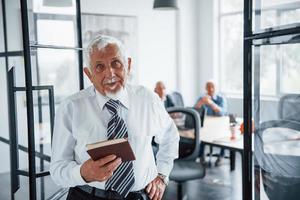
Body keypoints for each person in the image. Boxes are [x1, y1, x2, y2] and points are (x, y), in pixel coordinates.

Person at [50, 35, 179, 200]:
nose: (110, 72)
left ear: (128, 65)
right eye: (99, 67)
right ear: (89, 74)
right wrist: (83, 172)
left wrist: (162, 174)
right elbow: (57, 169)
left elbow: (170, 136)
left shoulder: (148, 99)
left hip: (140, 196)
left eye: (116, 63)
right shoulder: (71, 107)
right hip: (87, 196)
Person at [195, 80, 227, 166]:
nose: (211, 89)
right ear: (205, 88)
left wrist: (211, 103)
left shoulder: (221, 98)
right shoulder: (202, 98)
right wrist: (201, 102)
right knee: (200, 134)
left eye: (213, 87)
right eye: (208, 87)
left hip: (219, 124)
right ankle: (201, 155)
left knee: (223, 134)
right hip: (206, 123)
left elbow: (222, 113)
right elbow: (194, 111)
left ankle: (221, 156)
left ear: (216, 88)